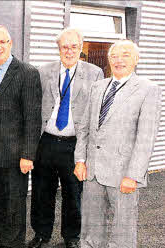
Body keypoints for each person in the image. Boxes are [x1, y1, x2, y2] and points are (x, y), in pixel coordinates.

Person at [74, 40, 161, 248]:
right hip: (93, 173)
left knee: (122, 233)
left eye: (126, 55)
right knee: (91, 230)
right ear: (108, 59)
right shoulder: (98, 87)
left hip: (123, 174)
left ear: (136, 60)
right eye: (114, 56)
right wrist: (80, 160)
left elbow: (145, 138)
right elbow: (85, 127)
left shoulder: (148, 89)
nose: (119, 60)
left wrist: (133, 175)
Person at [28, 28, 103, 248]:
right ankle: (41, 233)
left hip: (75, 144)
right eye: (64, 47)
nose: (69, 51)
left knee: (74, 193)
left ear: (80, 48)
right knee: (42, 191)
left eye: (73, 47)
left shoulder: (95, 73)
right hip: (46, 141)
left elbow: (96, 114)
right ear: (58, 49)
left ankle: (71, 237)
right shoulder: (43, 71)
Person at [0, 25, 42, 248]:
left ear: (10, 43)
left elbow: (32, 118)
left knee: (14, 203)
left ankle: (13, 244)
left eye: (1, 42)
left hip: (14, 155)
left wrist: (28, 155)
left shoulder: (27, 72)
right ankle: (1, 240)